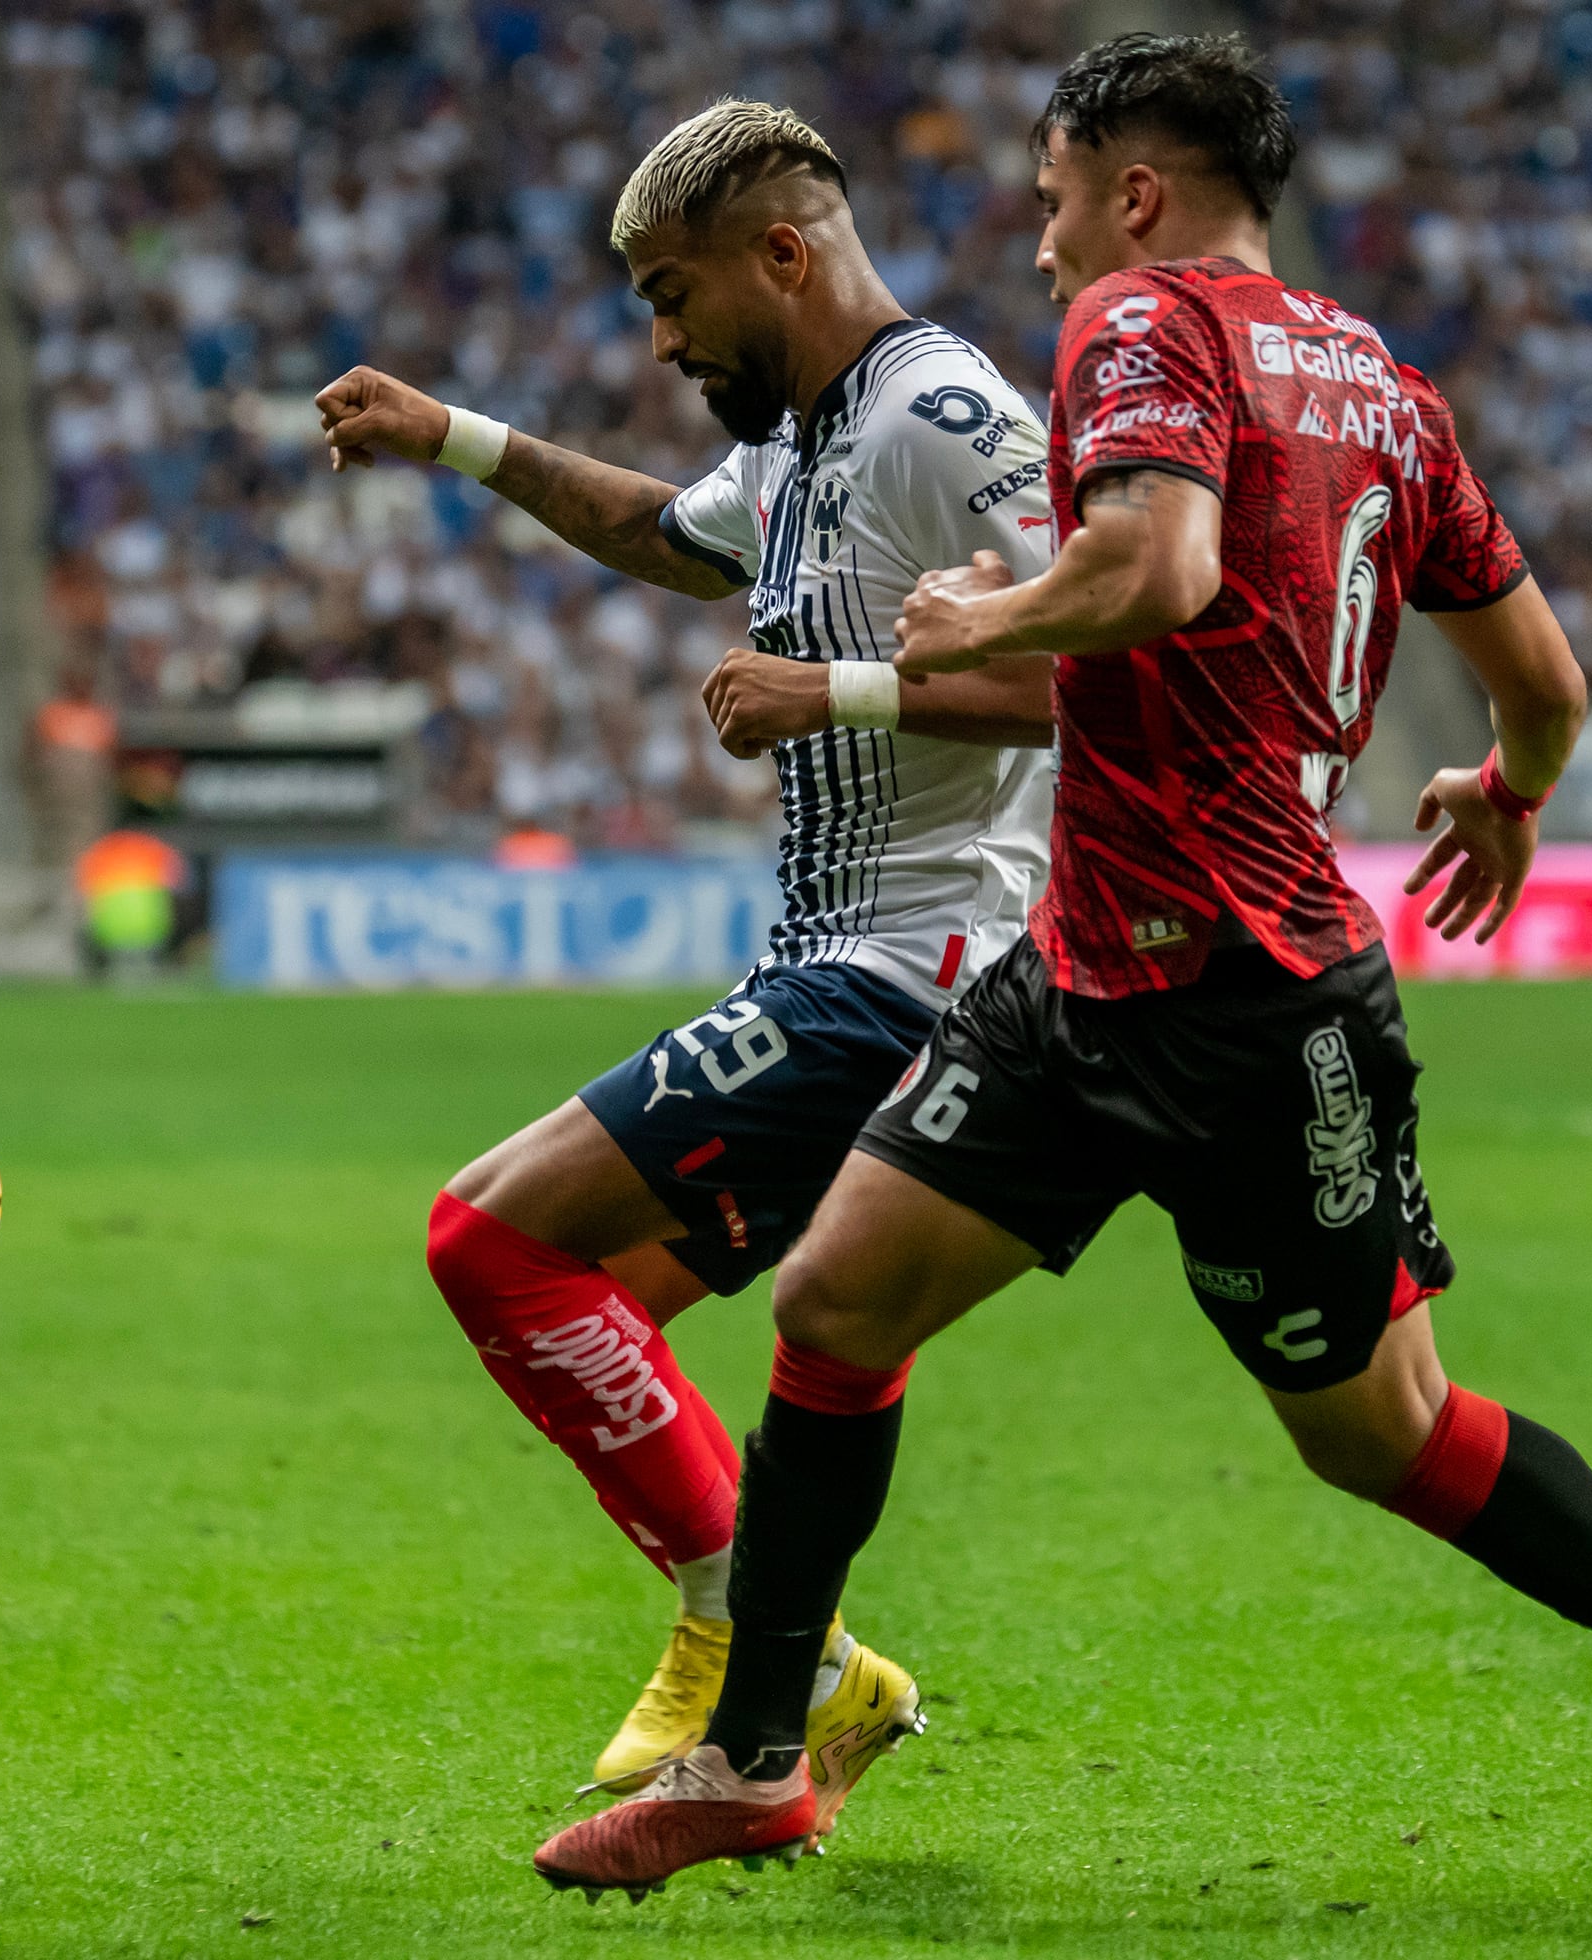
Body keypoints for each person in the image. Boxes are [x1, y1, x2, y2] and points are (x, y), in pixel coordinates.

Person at [534, 35, 1592, 1897]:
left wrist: (962, 621)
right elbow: (1543, 682)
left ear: (1135, 190)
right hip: (1079, 971)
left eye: (1060, 194)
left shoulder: (1145, 321)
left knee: (1382, 1434)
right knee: (833, 1308)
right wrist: (1509, 790)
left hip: (1248, 1002)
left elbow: (1155, 566)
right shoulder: (1387, 386)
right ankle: (757, 1758)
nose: (1048, 238)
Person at [317, 101, 1059, 1828]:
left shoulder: (946, 418)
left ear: (782, 255)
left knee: (490, 1239)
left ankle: (761, 1649)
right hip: (837, 963)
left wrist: (838, 690)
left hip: (915, 974)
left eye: (673, 295)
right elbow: (672, 535)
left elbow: (1124, 658)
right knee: (594, 1313)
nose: (661, 339)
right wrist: (460, 438)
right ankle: (780, 1657)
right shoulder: (806, 441)